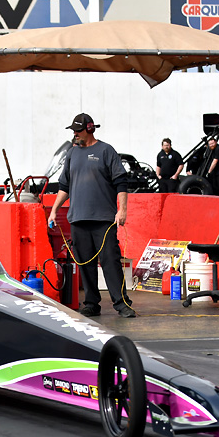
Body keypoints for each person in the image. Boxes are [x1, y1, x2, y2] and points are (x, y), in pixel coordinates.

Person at [47, 113, 134, 319]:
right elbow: (64, 186)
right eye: (73, 131)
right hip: (78, 218)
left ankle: (121, 303)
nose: (75, 134)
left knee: (110, 261)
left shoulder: (106, 151)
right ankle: (92, 303)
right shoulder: (72, 154)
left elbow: (121, 182)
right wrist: (54, 210)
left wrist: (122, 210)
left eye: (78, 130)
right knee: (85, 263)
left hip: (103, 219)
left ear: (90, 129)